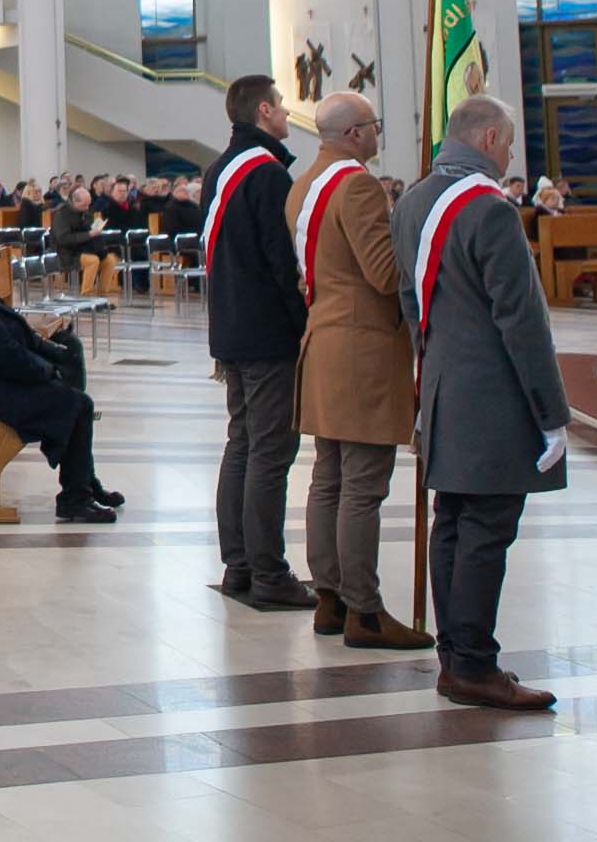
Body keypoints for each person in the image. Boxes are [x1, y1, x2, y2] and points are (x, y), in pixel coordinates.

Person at [393, 96, 569, 712]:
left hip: (443, 385)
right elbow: (521, 319)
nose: (512, 155)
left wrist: (430, 373)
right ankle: (473, 666)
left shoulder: (412, 201)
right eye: (510, 143)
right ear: (489, 138)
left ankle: (457, 658)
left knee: (453, 523)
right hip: (492, 394)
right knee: (486, 529)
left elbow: (410, 302)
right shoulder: (489, 209)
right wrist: (551, 413)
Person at [290, 92, 427, 650]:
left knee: (329, 477)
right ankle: (364, 611)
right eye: (374, 125)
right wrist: (420, 238)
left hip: (322, 339)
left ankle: (330, 598)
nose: (378, 133)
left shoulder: (304, 184)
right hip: (361, 351)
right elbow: (383, 273)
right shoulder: (358, 186)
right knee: (363, 484)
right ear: (354, 134)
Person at [205, 73, 309, 611]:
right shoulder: (266, 174)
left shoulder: (219, 169)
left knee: (242, 444)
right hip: (266, 331)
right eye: (282, 105)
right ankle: (268, 571)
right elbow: (280, 262)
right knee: (270, 450)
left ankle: (239, 565)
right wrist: (303, 324)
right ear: (264, 111)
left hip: (231, 324)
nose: (287, 113)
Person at [0, 227, 117, 522]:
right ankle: (75, 497)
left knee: (70, 378)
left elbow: (7, 340)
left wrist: (47, 353)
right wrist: (45, 370)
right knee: (78, 404)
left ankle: (84, 484)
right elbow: (3, 355)